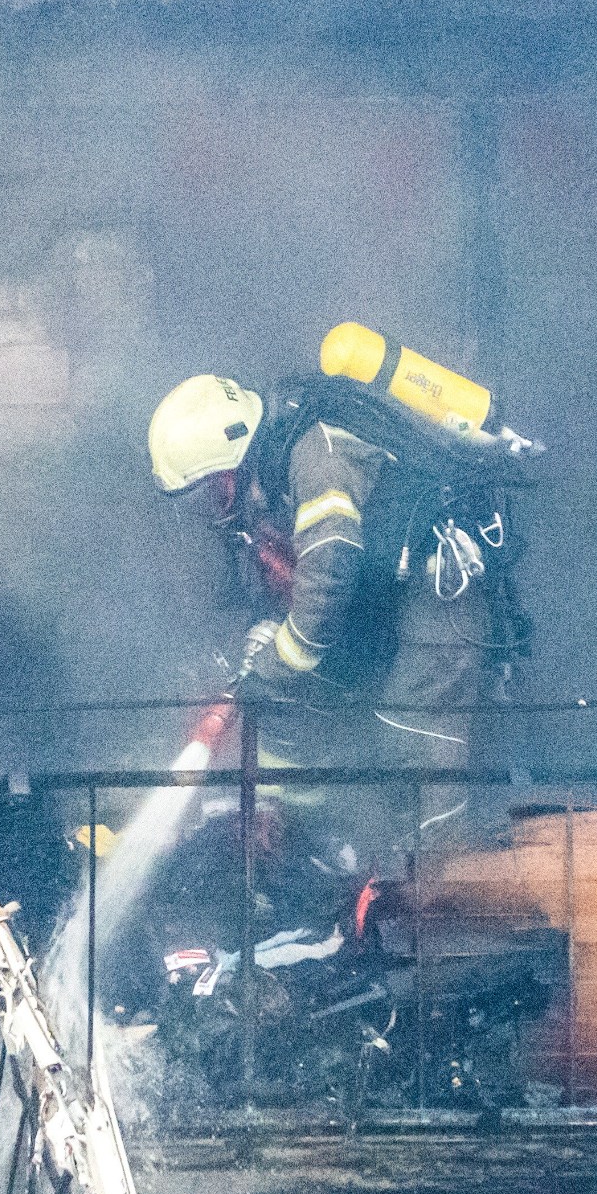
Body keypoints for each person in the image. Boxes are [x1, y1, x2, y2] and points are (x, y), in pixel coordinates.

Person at [146, 348, 533, 852]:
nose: (214, 513)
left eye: (211, 494)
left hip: (440, 607)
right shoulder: (284, 463)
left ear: (232, 463)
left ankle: (455, 892)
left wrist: (275, 667)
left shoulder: (314, 457)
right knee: (374, 734)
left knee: (417, 740)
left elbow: (330, 574)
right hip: (399, 605)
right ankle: (385, 871)